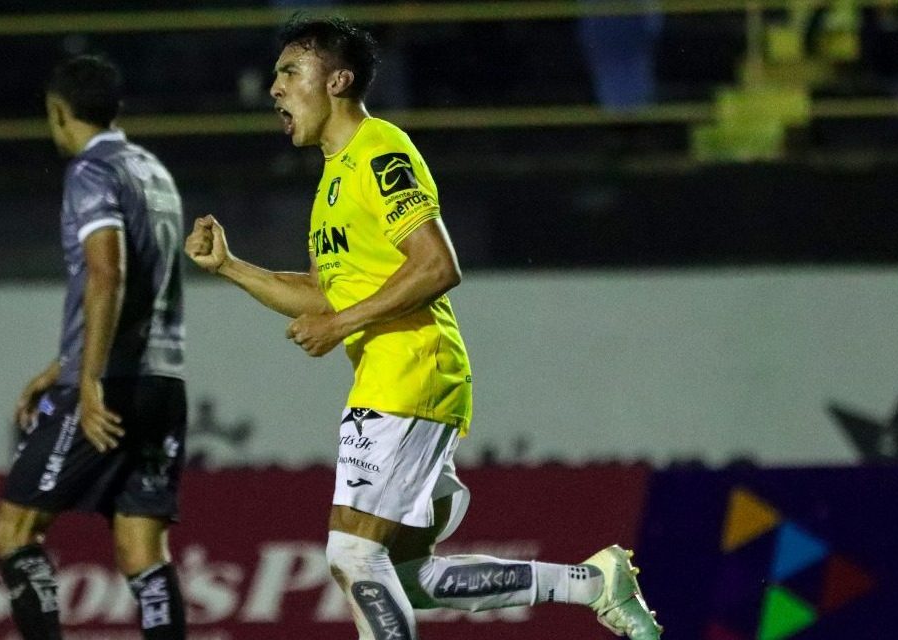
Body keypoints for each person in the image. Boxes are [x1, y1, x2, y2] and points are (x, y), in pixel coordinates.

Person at [186, 16, 662, 640]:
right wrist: (231, 267)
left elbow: (437, 266)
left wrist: (341, 326)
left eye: (289, 71)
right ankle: (593, 583)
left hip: (407, 371)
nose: (274, 87)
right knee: (402, 575)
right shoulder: (334, 178)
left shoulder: (379, 151)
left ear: (339, 80)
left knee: (351, 556)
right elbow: (322, 294)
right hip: (398, 376)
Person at [0, 55, 188, 640]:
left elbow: (107, 273)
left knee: (12, 531)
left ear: (57, 111)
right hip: (164, 381)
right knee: (142, 549)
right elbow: (144, 285)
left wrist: (88, 379)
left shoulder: (90, 172)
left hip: (111, 385)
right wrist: (63, 365)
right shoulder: (152, 170)